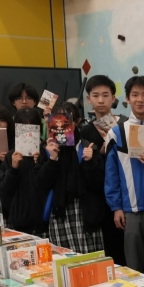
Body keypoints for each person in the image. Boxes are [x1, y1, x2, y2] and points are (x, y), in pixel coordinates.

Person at [105, 76, 144, 273]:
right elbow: (111, 173)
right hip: (130, 210)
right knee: (134, 267)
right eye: (135, 95)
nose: (140, 99)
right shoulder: (116, 133)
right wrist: (116, 207)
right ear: (127, 99)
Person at [39, 101, 102, 252]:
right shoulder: (47, 150)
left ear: (76, 122)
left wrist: (89, 162)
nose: (61, 125)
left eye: (67, 120)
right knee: (63, 258)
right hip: (59, 211)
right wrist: (52, 159)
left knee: (90, 259)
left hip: (85, 211)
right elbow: (41, 184)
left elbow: (98, 184)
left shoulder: (88, 147)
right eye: (57, 120)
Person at [78, 74, 127, 267]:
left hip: (127, 196)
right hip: (100, 202)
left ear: (113, 98)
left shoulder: (125, 125)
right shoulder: (85, 132)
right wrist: (100, 154)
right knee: (111, 252)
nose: (100, 100)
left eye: (105, 95)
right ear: (88, 99)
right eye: (95, 95)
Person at [0, 108, 49, 235]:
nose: (28, 133)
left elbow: (50, 182)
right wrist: (13, 169)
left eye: (32, 127)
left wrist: (41, 163)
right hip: (20, 219)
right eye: (23, 128)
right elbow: (5, 190)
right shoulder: (11, 155)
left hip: (45, 220)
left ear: (39, 128)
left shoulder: (47, 152)